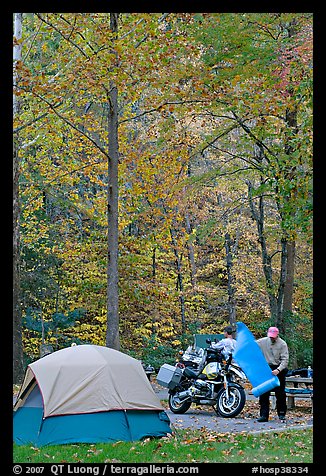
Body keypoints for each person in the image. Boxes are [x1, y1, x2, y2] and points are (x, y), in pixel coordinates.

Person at [256, 326, 289, 422]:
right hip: (266, 368)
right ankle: (263, 415)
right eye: (270, 336)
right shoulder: (262, 341)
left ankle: (281, 414)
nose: (272, 338)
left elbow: (285, 360)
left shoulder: (282, 344)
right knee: (264, 393)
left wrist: (278, 370)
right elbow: (252, 345)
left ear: (277, 335)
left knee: (280, 393)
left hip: (278, 369)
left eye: (273, 336)